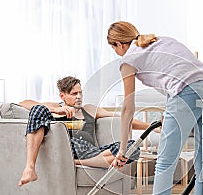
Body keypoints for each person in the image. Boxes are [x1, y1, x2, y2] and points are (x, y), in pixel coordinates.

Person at [108, 21, 203, 195]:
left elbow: (127, 108)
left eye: (114, 48)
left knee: (165, 163)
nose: (116, 53)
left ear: (119, 44)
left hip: (184, 92)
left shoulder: (127, 59)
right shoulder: (160, 40)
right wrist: (172, 108)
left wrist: (123, 148)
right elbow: (182, 73)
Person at [18, 76, 153, 186]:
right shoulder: (54, 108)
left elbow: (124, 120)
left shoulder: (89, 109)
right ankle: (30, 168)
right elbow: (23, 104)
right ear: (62, 96)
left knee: (133, 148)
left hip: (89, 151)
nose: (79, 97)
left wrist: (152, 126)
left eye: (80, 92)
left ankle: (77, 162)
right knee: (38, 109)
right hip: (66, 149)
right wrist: (55, 110)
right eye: (74, 94)